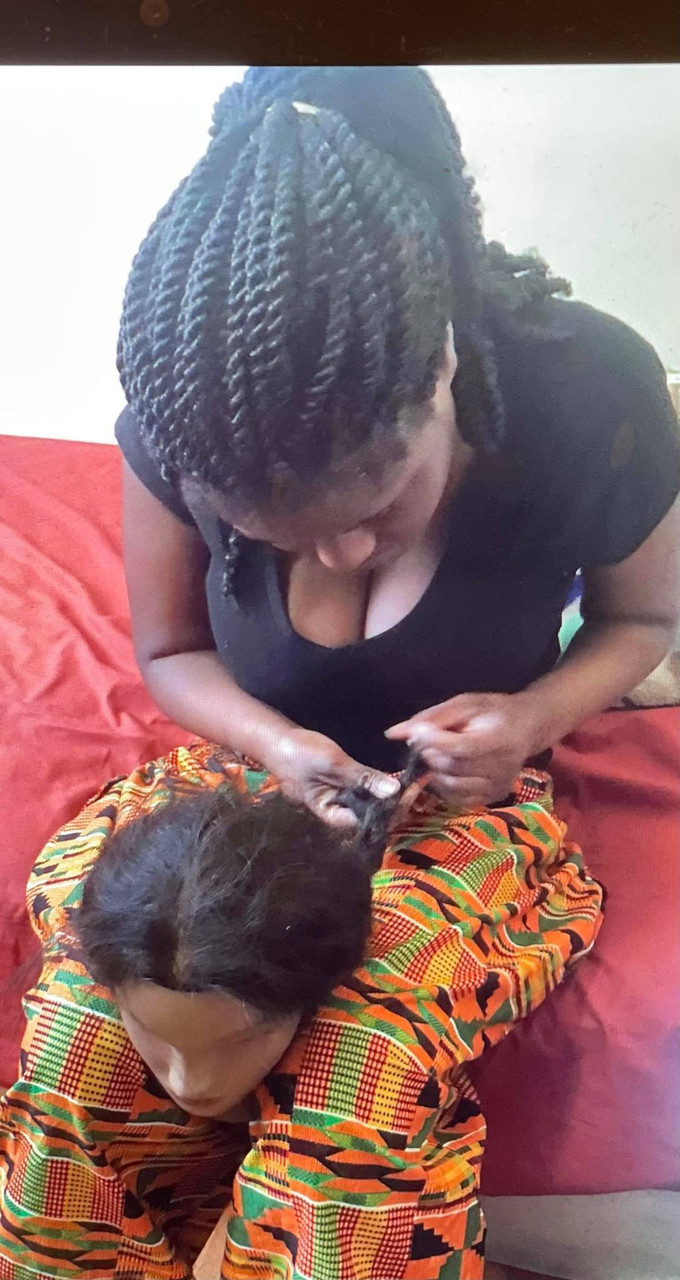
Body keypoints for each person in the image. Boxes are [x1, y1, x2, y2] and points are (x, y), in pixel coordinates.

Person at [116, 66, 680, 830]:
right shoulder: (191, 411)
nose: (343, 557)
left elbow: (643, 620)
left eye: (376, 506)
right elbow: (169, 651)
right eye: (263, 535)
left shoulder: (595, 397)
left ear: (441, 363)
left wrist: (534, 720)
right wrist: (272, 742)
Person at [0, 742, 602, 1279]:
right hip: (254, 765)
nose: (191, 1084)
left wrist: (514, 727)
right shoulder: (85, 919)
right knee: (75, 1036)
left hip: (461, 800)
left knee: (355, 1081)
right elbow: (170, 657)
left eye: (238, 1042)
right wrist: (281, 746)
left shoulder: (381, 973)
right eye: (159, 1039)